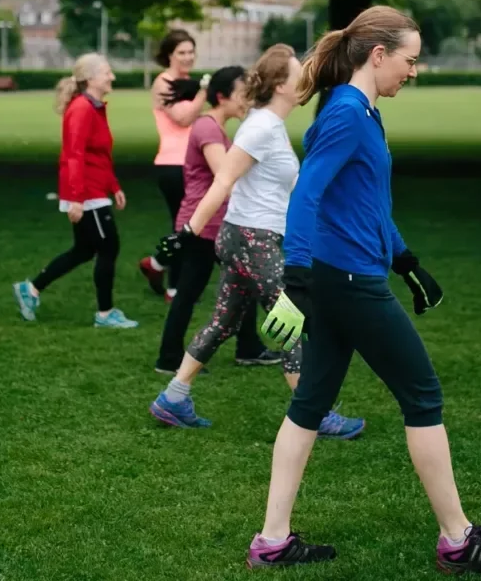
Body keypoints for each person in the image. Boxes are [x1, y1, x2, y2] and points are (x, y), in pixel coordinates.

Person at [248, 6, 481, 573]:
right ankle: (458, 539)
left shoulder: (361, 111)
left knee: (309, 403)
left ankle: (272, 541)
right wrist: (296, 280)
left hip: (348, 275)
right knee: (423, 395)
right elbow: (307, 195)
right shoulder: (350, 114)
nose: (415, 70)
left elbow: (366, 202)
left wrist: (406, 261)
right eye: (410, 59)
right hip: (347, 283)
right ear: (378, 56)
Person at [148, 44, 364, 439]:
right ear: (281, 85)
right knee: (291, 318)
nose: (304, 79)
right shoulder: (260, 127)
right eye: (298, 73)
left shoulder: (271, 126)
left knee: (223, 322)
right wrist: (187, 233)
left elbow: (289, 187)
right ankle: (314, 414)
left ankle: (173, 398)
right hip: (252, 239)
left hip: (248, 237)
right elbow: (224, 180)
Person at [151, 65, 282, 374]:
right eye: (241, 95)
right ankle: (170, 358)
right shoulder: (208, 128)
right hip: (204, 226)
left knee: (243, 283)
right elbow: (226, 175)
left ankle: (247, 347)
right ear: (222, 97)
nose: (246, 101)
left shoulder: (213, 127)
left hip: (212, 223)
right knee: (191, 291)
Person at [12, 53, 138, 329]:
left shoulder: (93, 107)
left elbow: (100, 155)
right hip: (87, 194)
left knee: (84, 250)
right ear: (91, 78)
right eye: (107, 72)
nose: (112, 77)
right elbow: (74, 155)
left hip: (93, 190)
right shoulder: (82, 109)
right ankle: (105, 314)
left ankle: (30, 289)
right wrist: (77, 199)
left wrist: (114, 186)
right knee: (108, 246)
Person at [138, 29, 208, 303]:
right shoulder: (163, 83)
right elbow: (183, 117)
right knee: (187, 226)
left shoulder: (186, 83)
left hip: (190, 163)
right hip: (172, 164)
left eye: (191, 52)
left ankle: (156, 266)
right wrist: (204, 91)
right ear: (169, 55)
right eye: (182, 52)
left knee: (188, 226)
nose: (188, 57)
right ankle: (172, 287)